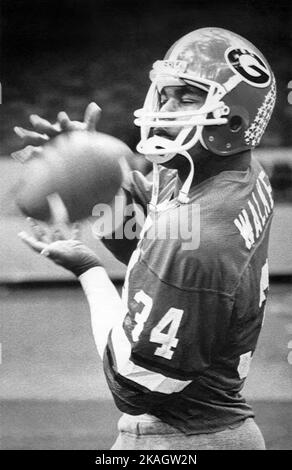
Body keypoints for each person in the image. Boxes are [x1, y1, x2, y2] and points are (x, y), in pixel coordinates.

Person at [15, 27, 276, 450]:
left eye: (188, 98)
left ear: (233, 119)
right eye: (166, 94)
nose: (167, 108)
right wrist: (99, 176)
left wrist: (89, 272)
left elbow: (132, 386)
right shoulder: (229, 173)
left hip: (183, 441)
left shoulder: (199, 236)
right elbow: (147, 237)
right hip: (217, 428)